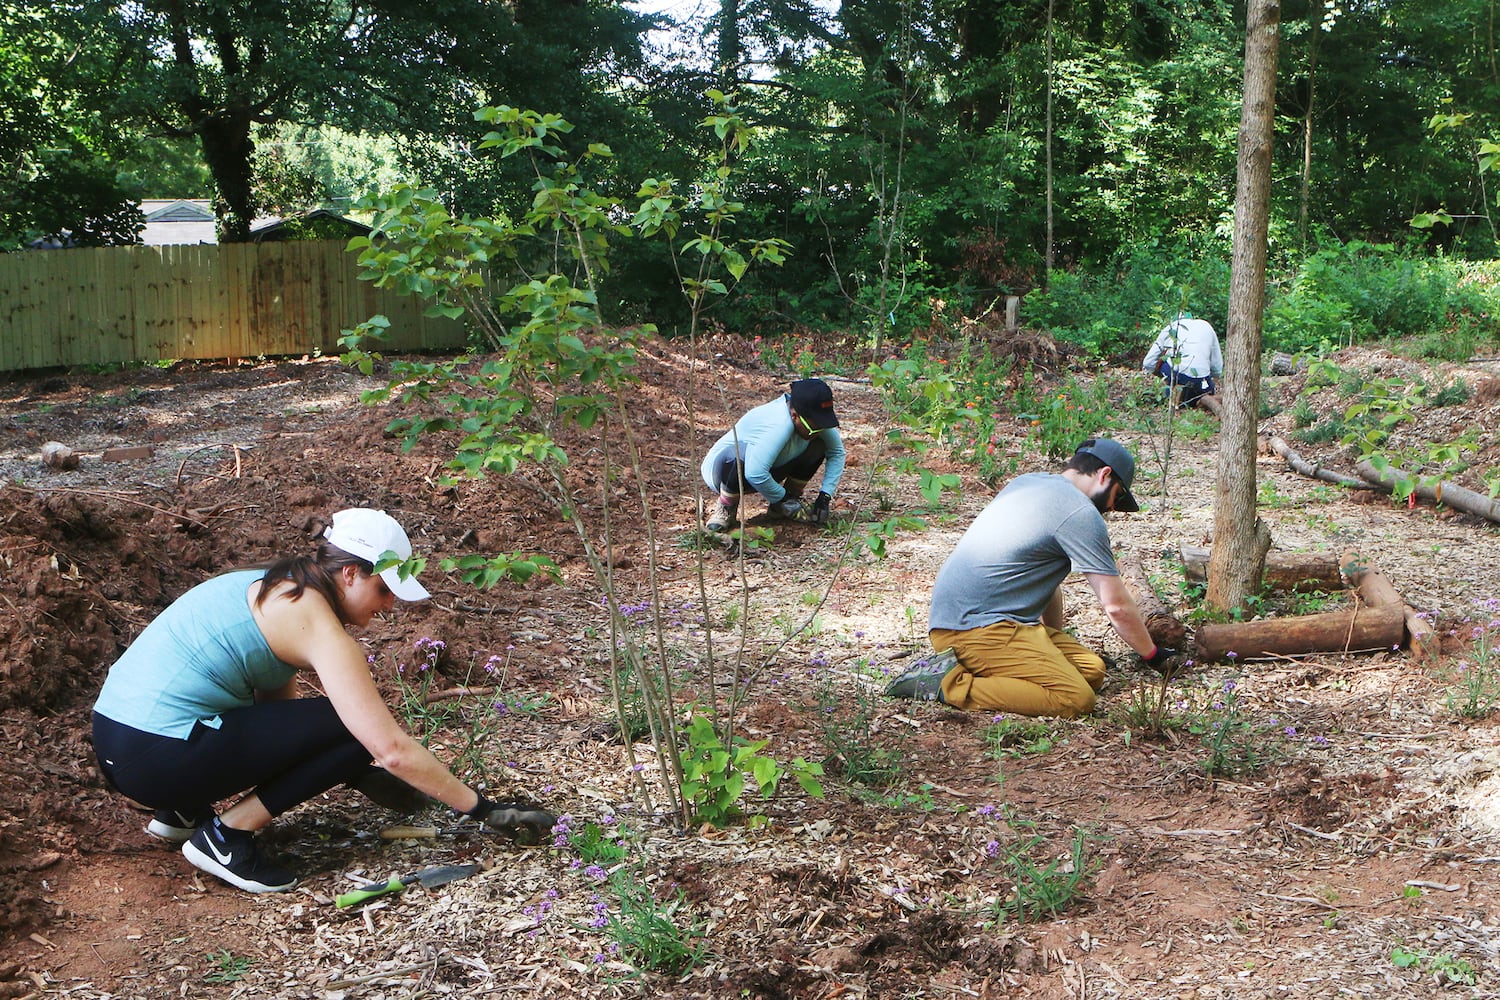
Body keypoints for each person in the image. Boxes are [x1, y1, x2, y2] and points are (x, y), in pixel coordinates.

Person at [92, 508, 556, 894]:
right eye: (384, 589)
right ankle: (226, 836)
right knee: (351, 725)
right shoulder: (318, 624)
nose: (390, 606)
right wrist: (485, 809)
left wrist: (344, 769)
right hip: (156, 755)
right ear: (351, 572)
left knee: (337, 731)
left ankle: (183, 811)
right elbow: (389, 748)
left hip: (124, 743)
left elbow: (277, 715)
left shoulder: (276, 586)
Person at [885, 439, 1177, 717]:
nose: (1113, 508)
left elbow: (1045, 583)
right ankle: (946, 685)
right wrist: (1153, 655)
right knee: (1075, 698)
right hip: (975, 629)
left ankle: (980, 666)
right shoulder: (1080, 512)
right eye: (1120, 496)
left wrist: (1053, 640)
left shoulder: (1028, 483)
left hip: (965, 619)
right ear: (1105, 474)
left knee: (1092, 671)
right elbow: (1116, 606)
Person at [701, 378, 847, 532]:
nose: (818, 432)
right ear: (794, 415)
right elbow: (755, 473)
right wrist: (782, 500)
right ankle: (726, 507)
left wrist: (824, 497)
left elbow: (837, 452)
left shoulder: (810, 420)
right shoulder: (778, 425)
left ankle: (790, 499)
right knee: (738, 456)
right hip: (724, 472)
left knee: (819, 444)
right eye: (814, 429)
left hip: (767, 467)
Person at [1141, 311, 1223, 408]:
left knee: (1163, 362)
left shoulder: (1170, 328)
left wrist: (1158, 375)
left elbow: (1148, 363)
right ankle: (1198, 398)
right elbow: (1217, 369)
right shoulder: (1206, 326)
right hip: (1202, 381)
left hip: (1178, 376)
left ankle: (1172, 394)